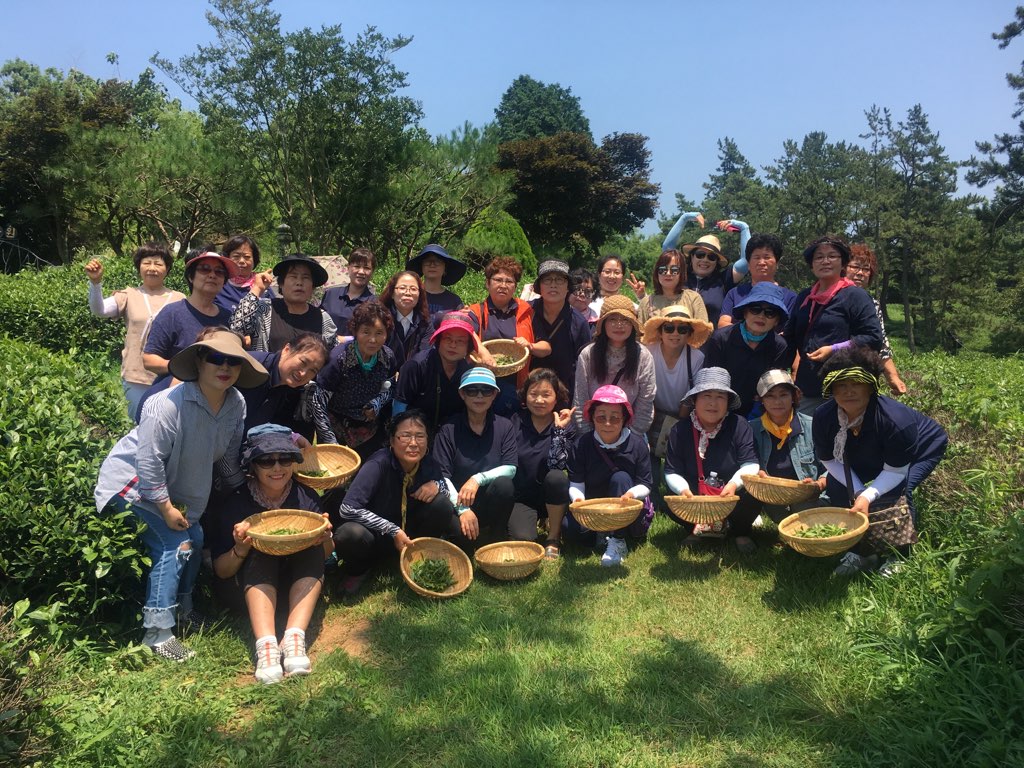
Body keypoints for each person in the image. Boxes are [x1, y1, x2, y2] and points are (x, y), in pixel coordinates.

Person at [94, 330, 268, 661]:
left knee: (197, 538)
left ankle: (185, 610)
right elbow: (147, 462)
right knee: (176, 545)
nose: (224, 367)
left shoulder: (236, 404)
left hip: (172, 489)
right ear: (200, 362)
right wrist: (164, 506)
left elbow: (228, 460)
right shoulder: (167, 405)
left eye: (233, 361)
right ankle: (157, 633)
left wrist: (253, 490)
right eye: (215, 358)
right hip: (131, 483)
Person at [208, 425, 332, 683]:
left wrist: (325, 538)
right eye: (266, 460)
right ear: (252, 466)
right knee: (260, 547)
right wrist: (240, 548)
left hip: (295, 588)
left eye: (284, 458)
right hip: (250, 590)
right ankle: (266, 647)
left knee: (311, 548)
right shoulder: (237, 503)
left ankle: (294, 638)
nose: (277, 468)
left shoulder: (305, 497)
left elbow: (326, 555)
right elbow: (221, 570)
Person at [812, 346, 947, 576]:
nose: (849, 391)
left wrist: (866, 495)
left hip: (921, 449)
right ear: (831, 390)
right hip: (872, 450)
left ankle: (899, 555)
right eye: (841, 385)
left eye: (857, 383)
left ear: (871, 386)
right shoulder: (824, 417)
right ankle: (862, 552)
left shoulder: (895, 420)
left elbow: (895, 471)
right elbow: (829, 460)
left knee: (898, 492)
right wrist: (857, 491)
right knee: (838, 487)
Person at [333, 409, 457, 594]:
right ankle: (359, 570)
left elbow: (447, 493)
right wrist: (392, 530)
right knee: (349, 533)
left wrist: (438, 485)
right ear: (391, 440)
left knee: (442, 504)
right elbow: (348, 508)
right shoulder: (378, 463)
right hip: (376, 536)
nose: (413, 443)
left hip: (410, 536)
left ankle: (419, 556)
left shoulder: (428, 463)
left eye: (420, 436)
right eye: (405, 436)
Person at [663, 367, 761, 553]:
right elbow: (671, 471)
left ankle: (740, 531)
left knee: (753, 489)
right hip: (695, 495)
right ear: (695, 400)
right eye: (706, 396)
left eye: (720, 397)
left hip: (731, 497)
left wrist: (733, 485)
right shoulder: (679, 430)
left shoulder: (739, 425)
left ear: (728, 402)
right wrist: (683, 491)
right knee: (671, 495)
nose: (713, 403)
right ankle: (693, 529)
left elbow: (750, 463)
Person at [784, 236, 884, 415]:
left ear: (843, 263)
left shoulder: (855, 296)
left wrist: (835, 349)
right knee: (807, 438)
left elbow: (873, 337)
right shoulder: (805, 297)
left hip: (846, 386)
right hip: (809, 386)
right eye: (819, 257)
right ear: (811, 265)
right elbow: (790, 338)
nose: (825, 261)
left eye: (832, 256)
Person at [84, 244, 185, 417]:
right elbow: (99, 310)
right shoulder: (128, 295)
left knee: (167, 423)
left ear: (167, 269)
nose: (152, 268)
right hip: (136, 374)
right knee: (139, 423)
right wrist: (95, 283)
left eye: (158, 264)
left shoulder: (180, 299)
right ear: (139, 267)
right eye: (147, 263)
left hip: (170, 373)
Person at [433, 367, 530, 548]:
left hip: (490, 500)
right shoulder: (448, 429)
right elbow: (442, 477)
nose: (479, 396)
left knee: (504, 484)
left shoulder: (504, 426)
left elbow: (510, 468)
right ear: (462, 394)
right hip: (458, 503)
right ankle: (461, 533)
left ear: (494, 395)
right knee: (466, 545)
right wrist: (462, 510)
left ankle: (496, 537)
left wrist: (477, 479)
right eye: (472, 390)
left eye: (486, 390)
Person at [567, 385, 654, 567]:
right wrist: (578, 501)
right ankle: (600, 533)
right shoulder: (582, 444)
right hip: (594, 507)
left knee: (621, 478)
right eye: (601, 417)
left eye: (614, 418)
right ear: (592, 418)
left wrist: (631, 494)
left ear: (624, 420)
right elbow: (576, 482)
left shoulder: (637, 445)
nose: (607, 423)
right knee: (572, 532)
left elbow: (646, 484)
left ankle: (618, 539)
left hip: (626, 510)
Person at [142, 250, 237, 394]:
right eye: (205, 269)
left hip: (216, 398)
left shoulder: (228, 317)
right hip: (175, 395)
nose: (212, 275)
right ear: (191, 277)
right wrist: (185, 370)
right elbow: (149, 360)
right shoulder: (172, 313)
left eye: (219, 272)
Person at [309, 300, 396, 456]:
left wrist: (377, 403)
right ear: (356, 331)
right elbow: (318, 402)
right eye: (366, 332)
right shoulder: (339, 359)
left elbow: (389, 386)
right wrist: (330, 442)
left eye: (379, 333)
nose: (372, 340)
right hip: (335, 423)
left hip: (368, 426)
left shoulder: (388, 357)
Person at [641, 305, 712, 483]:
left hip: (682, 414)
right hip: (652, 410)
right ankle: (652, 489)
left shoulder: (696, 357)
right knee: (649, 457)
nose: (675, 334)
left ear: (689, 334)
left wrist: (678, 421)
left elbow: (693, 394)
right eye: (669, 328)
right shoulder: (648, 352)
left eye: (682, 329)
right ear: (660, 331)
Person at [467, 256, 546, 416]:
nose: (503, 285)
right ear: (487, 283)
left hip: (516, 389)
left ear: (515, 286)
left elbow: (546, 347)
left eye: (509, 281)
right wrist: (482, 350)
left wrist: (530, 346)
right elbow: (466, 330)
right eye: (498, 280)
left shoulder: (527, 311)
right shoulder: (476, 311)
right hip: (482, 388)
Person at [512, 369, 576, 559]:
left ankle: (553, 537)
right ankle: (533, 521)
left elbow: (558, 465)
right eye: (533, 394)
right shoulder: (514, 422)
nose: (539, 400)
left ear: (557, 398)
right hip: (522, 497)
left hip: (553, 496)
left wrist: (558, 432)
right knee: (523, 539)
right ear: (525, 396)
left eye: (546, 395)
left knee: (557, 477)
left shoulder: (566, 426)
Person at [703, 282, 792, 418]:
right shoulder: (720, 339)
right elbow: (710, 382)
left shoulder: (779, 346)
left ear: (776, 321)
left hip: (758, 411)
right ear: (745, 312)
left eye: (770, 313)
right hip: (720, 407)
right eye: (755, 309)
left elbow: (772, 386)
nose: (761, 316)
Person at [573, 295, 656, 436]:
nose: (619, 325)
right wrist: (588, 435)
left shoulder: (643, 356)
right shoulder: (588, 354)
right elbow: (580, 399)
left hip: (629, 432)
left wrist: (631, 435)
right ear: (603, 324)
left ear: (633, 324)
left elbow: (646, 401)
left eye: (625, 320)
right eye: (612, 319)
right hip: (593, 431)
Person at [748, 370, 824, 523]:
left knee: (805, 518)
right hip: (770, 495)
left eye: (783, 395)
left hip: (806, 495)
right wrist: (757, 473)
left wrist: (819, 484)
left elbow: (831, 466)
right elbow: (745, 462)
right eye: (770, 396)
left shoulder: (812, 425)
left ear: (794, 397)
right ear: (761, 400)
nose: (777, 402)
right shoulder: (751, 429)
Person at [231, 253, 337, 353]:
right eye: (293, 277)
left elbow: (333, 355)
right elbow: (236, 328)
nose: (299, 283)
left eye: (306, 278)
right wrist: (257, 289)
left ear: (313, 286)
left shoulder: (323, 318)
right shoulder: (264, 309)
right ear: (281, 283)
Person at [662, 212, 749, 326]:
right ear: (692, 256)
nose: (705, 260)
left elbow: (747, 261)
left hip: (712, 342)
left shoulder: (723, 280)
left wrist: (744, 228)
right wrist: (684, 218)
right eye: (700, 254)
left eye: (711, 257)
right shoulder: (680, 275)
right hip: (677, 340)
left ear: (716, 262)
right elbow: (667, 250)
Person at [392, 313, 476, 430]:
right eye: (448, 338)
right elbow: (399, 407)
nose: (453, 345)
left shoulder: (467, 371)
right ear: (438, 340)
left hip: (450, 435)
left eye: (460, 341)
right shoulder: (416, 366)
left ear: (468, 347)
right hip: (416, 435)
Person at [241, 332, 330, 440]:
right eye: (303, 362)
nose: (303, 373)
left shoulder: (290, 388)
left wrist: (291, 436)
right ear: (286, 350)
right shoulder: (249, 365)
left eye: (312, 370)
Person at [846, 244, 908, 395]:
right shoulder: (828, 298)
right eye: (855, 266)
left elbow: (881, 343)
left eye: (866, 269)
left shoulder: (873, 304)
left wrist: (893, 377)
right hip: (833, 374)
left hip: (864, 376)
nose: (860, 273)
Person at [528, 259, 592, 396]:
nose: (553, 285)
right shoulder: (525, 312)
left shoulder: (579, 323)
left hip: (563, 394)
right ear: (539, 286)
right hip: (527, 392)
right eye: (547, 280)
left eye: (559, 280)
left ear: (568, 286)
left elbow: (585, 366)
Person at [718, 230, 798, 328]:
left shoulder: (790, 298)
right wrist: (748, 336)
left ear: (777, 263)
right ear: (748, 264)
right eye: (756, 257)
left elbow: (788, 331)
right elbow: (723, 324)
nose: (761, 262)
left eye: (767, 257)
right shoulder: (735, 293)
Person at [637, 249, 708, 324]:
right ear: (657, 273)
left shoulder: (694, 299)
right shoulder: (646, 302)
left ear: (682, 273)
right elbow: (640, 333)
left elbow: (703, 331)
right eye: (662, 269)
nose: (668, 273)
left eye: (674, 270)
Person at [379, 270, 432, 369]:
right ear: (392, 293)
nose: (408, 293)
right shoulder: (379, 319)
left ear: (419, 295)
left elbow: (425, 353)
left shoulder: (425, 323)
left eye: (413, 289)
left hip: (413, 376)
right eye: (402, 288)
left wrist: (407, 373)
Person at [320, 247, 376, 336]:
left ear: (372, 272)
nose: (361, 272)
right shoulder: (331, 294)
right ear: (348, 268)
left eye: (366, 268)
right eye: (357, 266)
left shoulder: (374, 304)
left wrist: (345, 340)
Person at [406, 243, 466, 318]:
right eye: (427, 262)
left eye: (437, 262)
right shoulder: (411, 295)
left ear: (445, 269)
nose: (432, 265)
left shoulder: (454, 301)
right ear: (421, 267)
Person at [216, 234, 263, 313]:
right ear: (227, 258)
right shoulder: (218, 285)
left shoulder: (262, 284)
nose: (241, 261)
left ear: (254, 260)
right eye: (236, 256)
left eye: (247, 257)